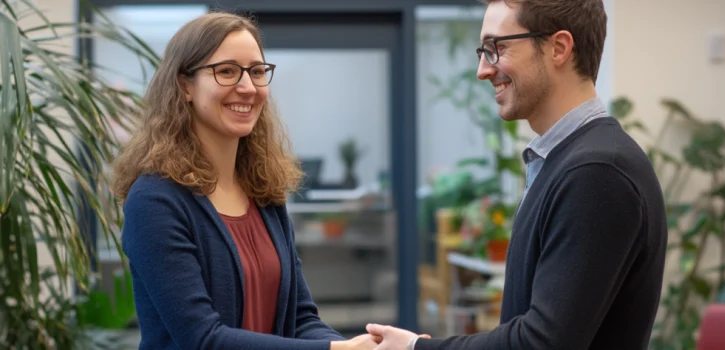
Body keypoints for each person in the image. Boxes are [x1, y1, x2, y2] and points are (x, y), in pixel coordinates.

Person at [366, 0, 668, 349]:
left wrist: (415, 348)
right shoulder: (571, 161)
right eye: (483, 51)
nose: (482, 69)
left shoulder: (597, 172)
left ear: (558, 48)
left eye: (497, 48)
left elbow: (541, 343)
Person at [111, 11, 377, 350]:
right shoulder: (155, 200)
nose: (248, 87)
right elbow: (202, 339)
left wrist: (359, 345)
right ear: (184, 85)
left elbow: (300, 319)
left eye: (256, 71)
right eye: (226, 71)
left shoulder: (264, 194)